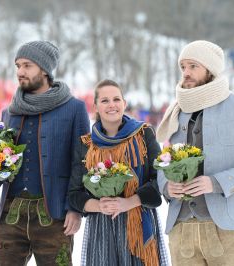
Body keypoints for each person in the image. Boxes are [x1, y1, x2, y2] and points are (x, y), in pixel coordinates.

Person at [156, 40, 234, 266]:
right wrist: (166, 186)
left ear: (210, 70)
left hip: (227, 227)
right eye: (183, 67)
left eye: (193, 66)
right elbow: (164, 160)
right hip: (181, 229)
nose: (186, 73)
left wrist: (217, 182)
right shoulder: (175, 111)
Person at [0, 41, 90, 265]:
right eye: (17, 66)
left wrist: (75, 208)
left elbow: (82, 161)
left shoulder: (74, 109)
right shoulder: (9, 112)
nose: (20, 72)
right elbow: (5, 160)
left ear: (44, 69)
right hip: (11, 213)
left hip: (54, 216)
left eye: (27, 66)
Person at [68, 79, 169, 266]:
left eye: (116, 99)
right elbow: (74, 194)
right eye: (104, 101)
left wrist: (128, 203)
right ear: (96, 106)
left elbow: (160, 180)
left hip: (138, 226)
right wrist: (99, 206)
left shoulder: (144, 134)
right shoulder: (86, 145)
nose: (111, 105)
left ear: (124, 103)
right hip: (102, 230)